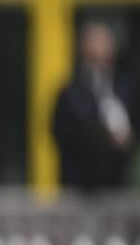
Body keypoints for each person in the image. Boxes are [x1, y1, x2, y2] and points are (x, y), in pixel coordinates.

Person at [53, 21, 137, 191]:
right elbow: (60, 132)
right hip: (81, 186)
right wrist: (100, 136)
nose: (101, 48)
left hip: (120, 184)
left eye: (105, 42)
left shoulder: (126, 86)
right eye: (96, 42)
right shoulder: (71, 91)